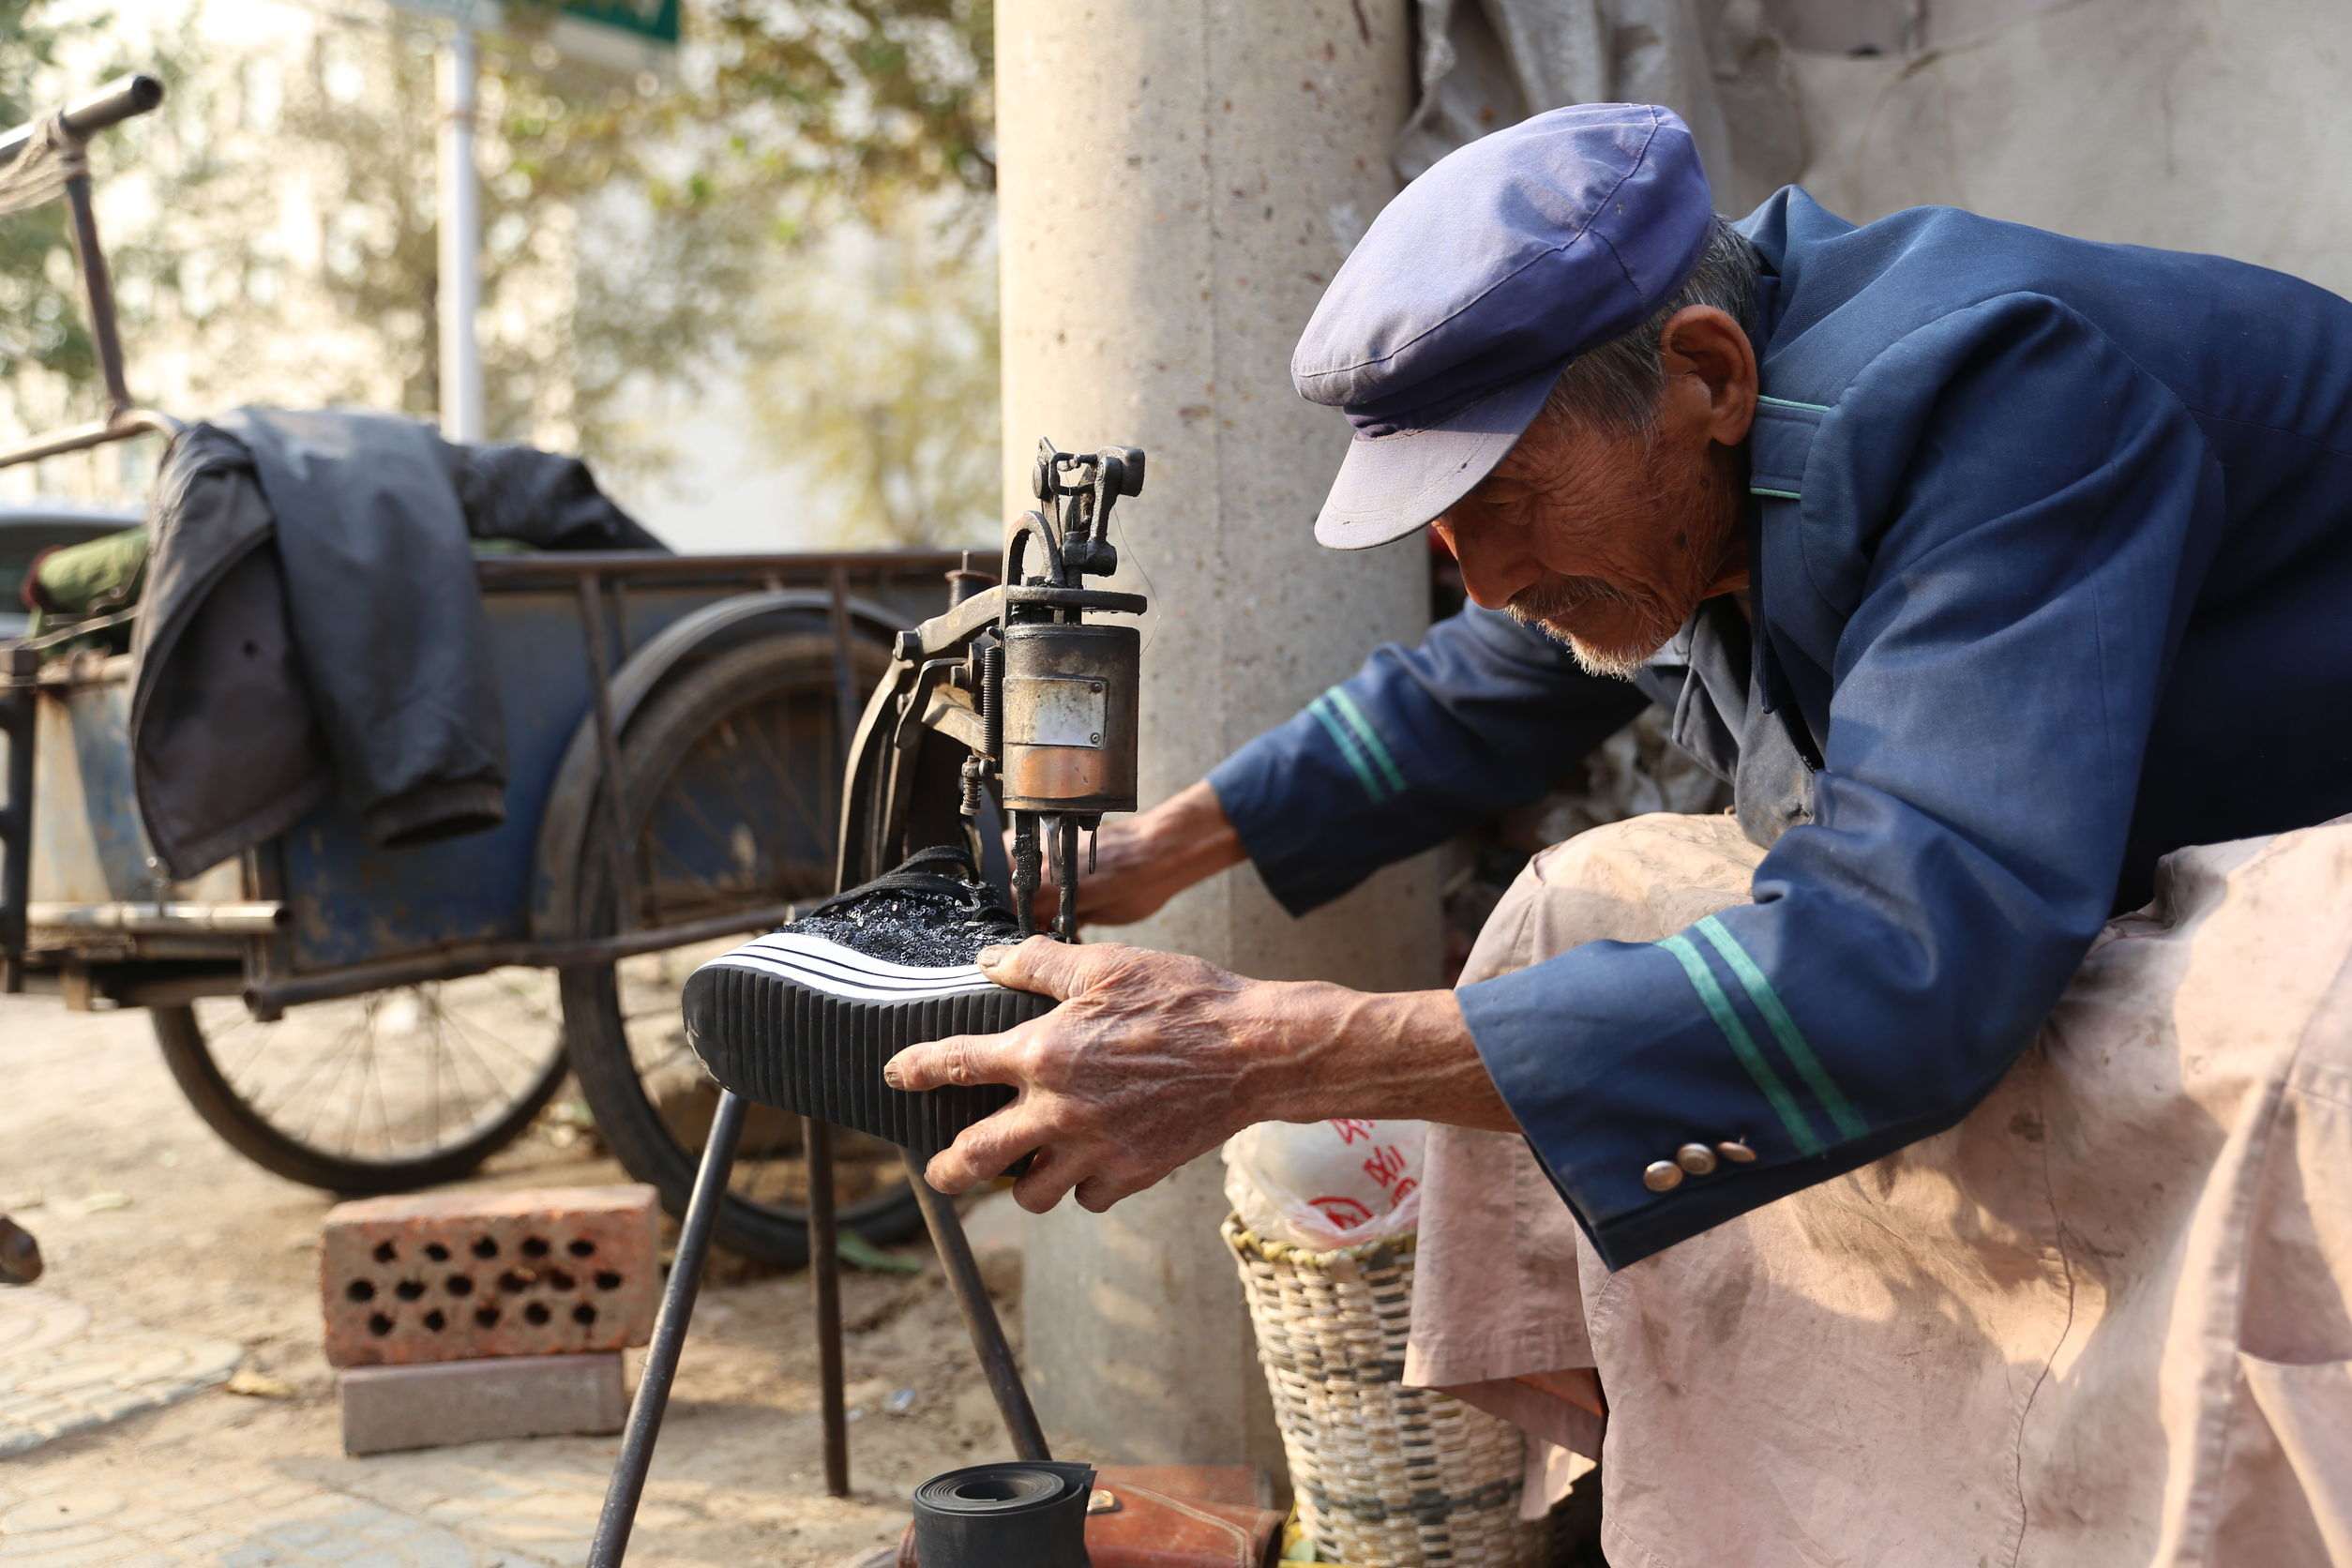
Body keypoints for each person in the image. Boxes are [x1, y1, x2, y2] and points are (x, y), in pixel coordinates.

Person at [884, 103, 2352, 1270]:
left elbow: (1907, 961)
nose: (1488, 577)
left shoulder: (1999, 397)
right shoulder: (1670, 448)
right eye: (1444, 531)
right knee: (1574, 909)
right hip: (2134, 841)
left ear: (1709, 374)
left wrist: (1267, 1053)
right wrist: (1158, 850)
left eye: (1506, 503)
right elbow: (1473, 685)